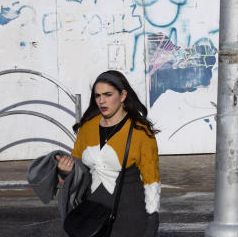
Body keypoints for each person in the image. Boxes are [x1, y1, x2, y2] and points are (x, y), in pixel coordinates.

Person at [56, 70, 160, 236]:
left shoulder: (140, 131)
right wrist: (65, 171)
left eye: (108, 94)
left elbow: (151, 180)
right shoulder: (87, 127)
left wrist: (152, 218)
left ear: (123, 95)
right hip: (92, 214)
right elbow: (77, 168)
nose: (101, 101)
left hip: (129, 218)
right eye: (97, 96)